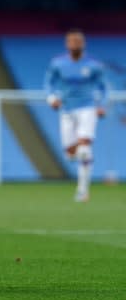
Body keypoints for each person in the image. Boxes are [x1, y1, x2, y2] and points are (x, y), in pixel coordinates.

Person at [44, 29, 107, 202]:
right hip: (66, 110)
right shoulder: (58, 64)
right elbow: (48, 83)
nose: (75, 45)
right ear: (67, 44)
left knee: (85, 148)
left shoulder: (93, 65)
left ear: (83, 44)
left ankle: (82, 190)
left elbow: (102, 87)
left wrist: (100, 105)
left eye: (78, 41)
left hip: (87, 108)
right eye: (71, 42)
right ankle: (81, 157)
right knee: (71, 153)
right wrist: (51, 98)